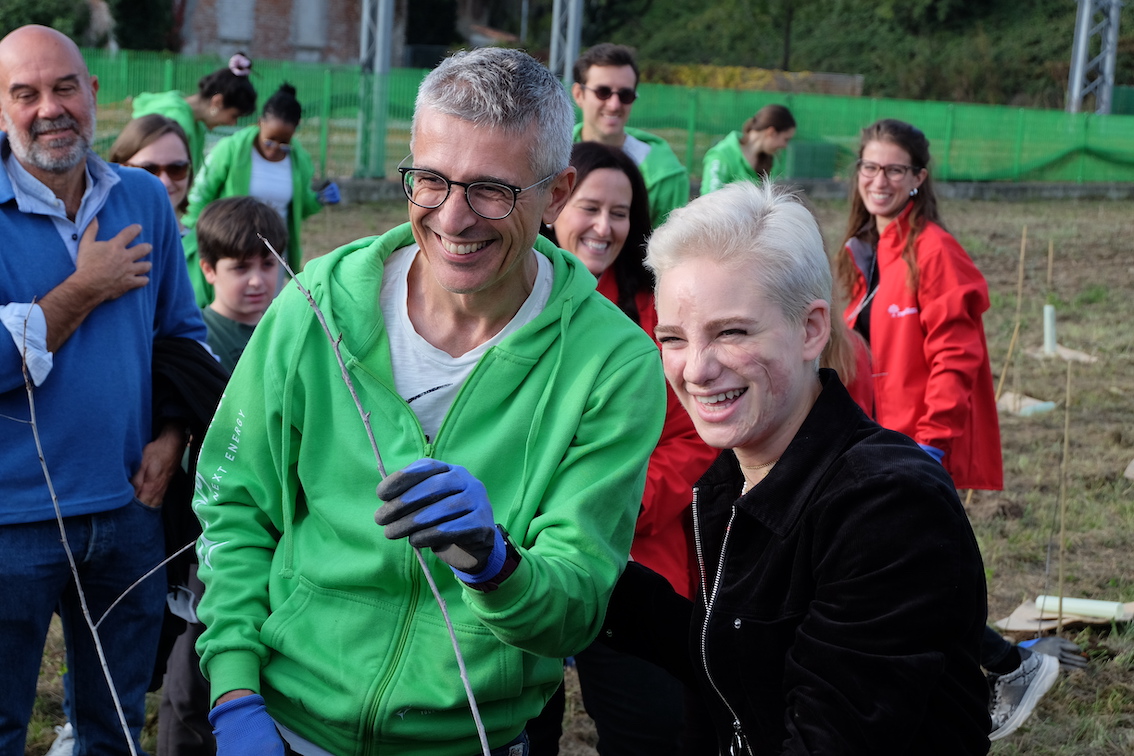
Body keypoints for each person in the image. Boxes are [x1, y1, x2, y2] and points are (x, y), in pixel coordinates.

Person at [192, 47, 666, 756]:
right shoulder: (314, 305)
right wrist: (233, 691)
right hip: (283, 724)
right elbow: (235, 507)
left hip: (470, 737)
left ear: (557, 193)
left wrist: (496, 565)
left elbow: (575, 608)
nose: (453, 217)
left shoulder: (612, 364)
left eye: (491, 190)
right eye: (431, 180)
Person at [598, 181, 993, 755]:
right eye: (674, 338)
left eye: (731, 332)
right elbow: (730, 657)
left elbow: (833, 733)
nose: (696, 370)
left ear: (811, 330)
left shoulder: (885, 505)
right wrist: (542, 563)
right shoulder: (732, 477)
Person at [0, 24, 207, 756]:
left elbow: (182, 337)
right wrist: (85, 288)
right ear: (1, 108)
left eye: (64, 87)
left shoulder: (145, 198)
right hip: (13, 520)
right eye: (25, 94)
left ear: (93, 94)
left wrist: (173, 436)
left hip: (127, 511)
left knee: (113, 728)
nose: (49, 108)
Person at [835, 118, 1057, 741]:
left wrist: (930, 445)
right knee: (901, 576)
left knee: (911, 576)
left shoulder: (933, 250)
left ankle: (1010, 667)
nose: (880, 180)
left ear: (918, 179)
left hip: (916, 447)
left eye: (895, 170)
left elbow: (955, 358)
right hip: (872, 444)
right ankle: (992, 670)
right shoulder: (862, 251)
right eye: (870, 168)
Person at [528, 142, 717, 755]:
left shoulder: (660, 313)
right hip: (520, 557)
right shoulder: (507, 304)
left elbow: (694, 437)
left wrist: (624, 502)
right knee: (523, 727)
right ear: (554, 204)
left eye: (622, 212)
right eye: (590, 207)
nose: (605, 227)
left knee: (651, 727)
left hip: (635, 559)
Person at [158, 196, 288, 756]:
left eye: (269, 264)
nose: (258, 281)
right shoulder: (198, 343)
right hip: (209, 541)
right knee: (196, 677)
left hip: (283, 535)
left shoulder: (293, 333)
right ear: (207, 269)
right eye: (240, 268)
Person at [180, 82, 338, 307]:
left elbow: (297, 209)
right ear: (260, 122)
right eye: (270, 140)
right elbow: (202, 193)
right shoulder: (231, 150)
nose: (275, 149)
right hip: (232, 246)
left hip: (272, 253)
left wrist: (318, 200)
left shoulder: (299, 160)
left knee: (263, 312)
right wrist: (189, 230)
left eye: (284, 144)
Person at [572, 43, 688, 227]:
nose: (614, 104)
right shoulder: (551, 154)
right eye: (603, 92)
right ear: (579, 94)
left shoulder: (665, 175)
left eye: (625, 95)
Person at [132, 52, 257, 171]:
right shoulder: (175, 122)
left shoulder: (188, 117)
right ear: (217, 102)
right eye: (233, 116)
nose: (232, 123)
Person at [109, 113, 193, 218]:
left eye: (177, 168)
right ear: (120, 169)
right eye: (148, 170)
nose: (164, 183)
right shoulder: (95, 231)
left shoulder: (204, 234)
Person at [700, 104, 796, 194]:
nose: (785, 145)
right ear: (771, 132)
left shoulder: (771, 161)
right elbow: (709, 201)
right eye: (785, 139)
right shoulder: (721, 156)